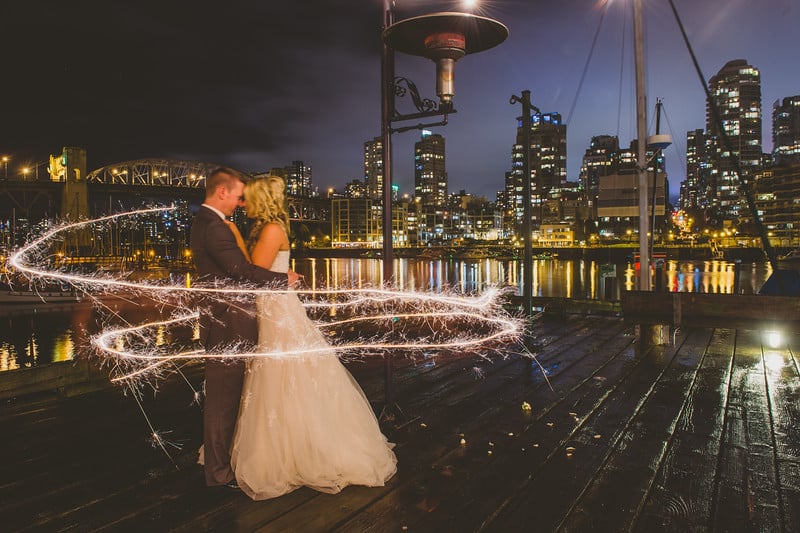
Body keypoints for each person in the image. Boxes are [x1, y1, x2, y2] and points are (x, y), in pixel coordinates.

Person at [230, 176, 397, 500]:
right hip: (276, 307)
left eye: (248, 199)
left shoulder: (270, 231)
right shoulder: (272, 228)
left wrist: (236, 237)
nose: (243, 204)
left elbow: (254, 274)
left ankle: (294, 451)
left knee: (280, 377)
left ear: (261, 200)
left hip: (276, 311)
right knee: (285, 375)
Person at [190, 167, 300, 488]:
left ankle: (224, 464)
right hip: (228, 323)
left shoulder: (208, 224)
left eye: (246, 199)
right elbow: (241, 270)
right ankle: (219, 474)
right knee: (223, 403)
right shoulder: (216, 227)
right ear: (222, 192)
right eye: (238, 197)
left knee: (232, 399)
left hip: (228, 320)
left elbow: (243, 268)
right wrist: (284, 279)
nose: (240, 204)